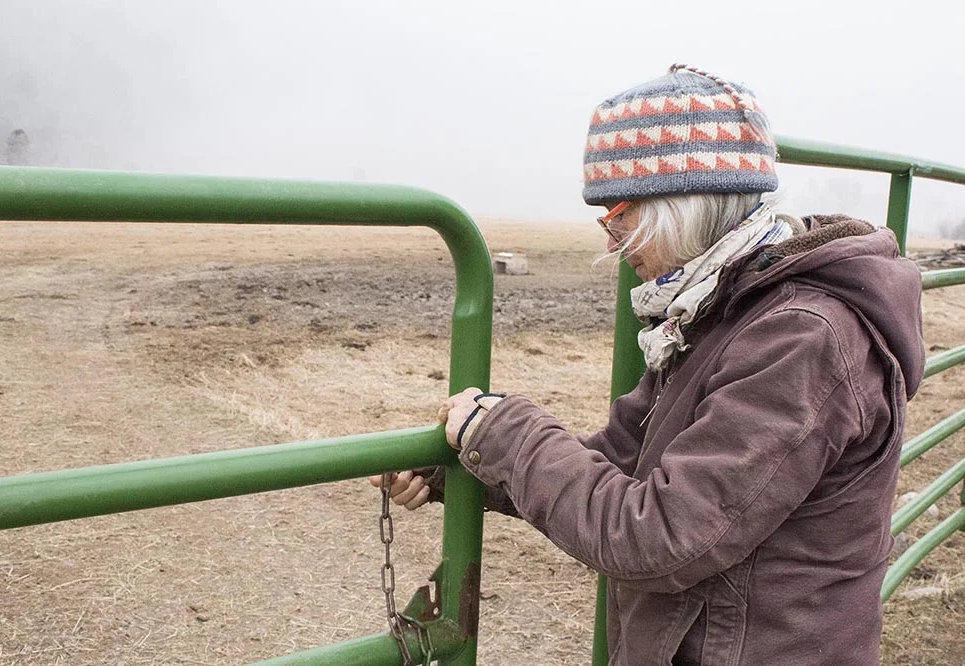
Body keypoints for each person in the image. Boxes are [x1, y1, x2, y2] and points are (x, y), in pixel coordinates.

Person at [371, 65, 925, 665]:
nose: (610, 242)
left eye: (619, 215)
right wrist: (465, 469)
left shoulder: (799, 338)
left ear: (682, 202)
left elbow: (659, 535)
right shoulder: (723, 306)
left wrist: (510, 433)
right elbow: (618, 458)